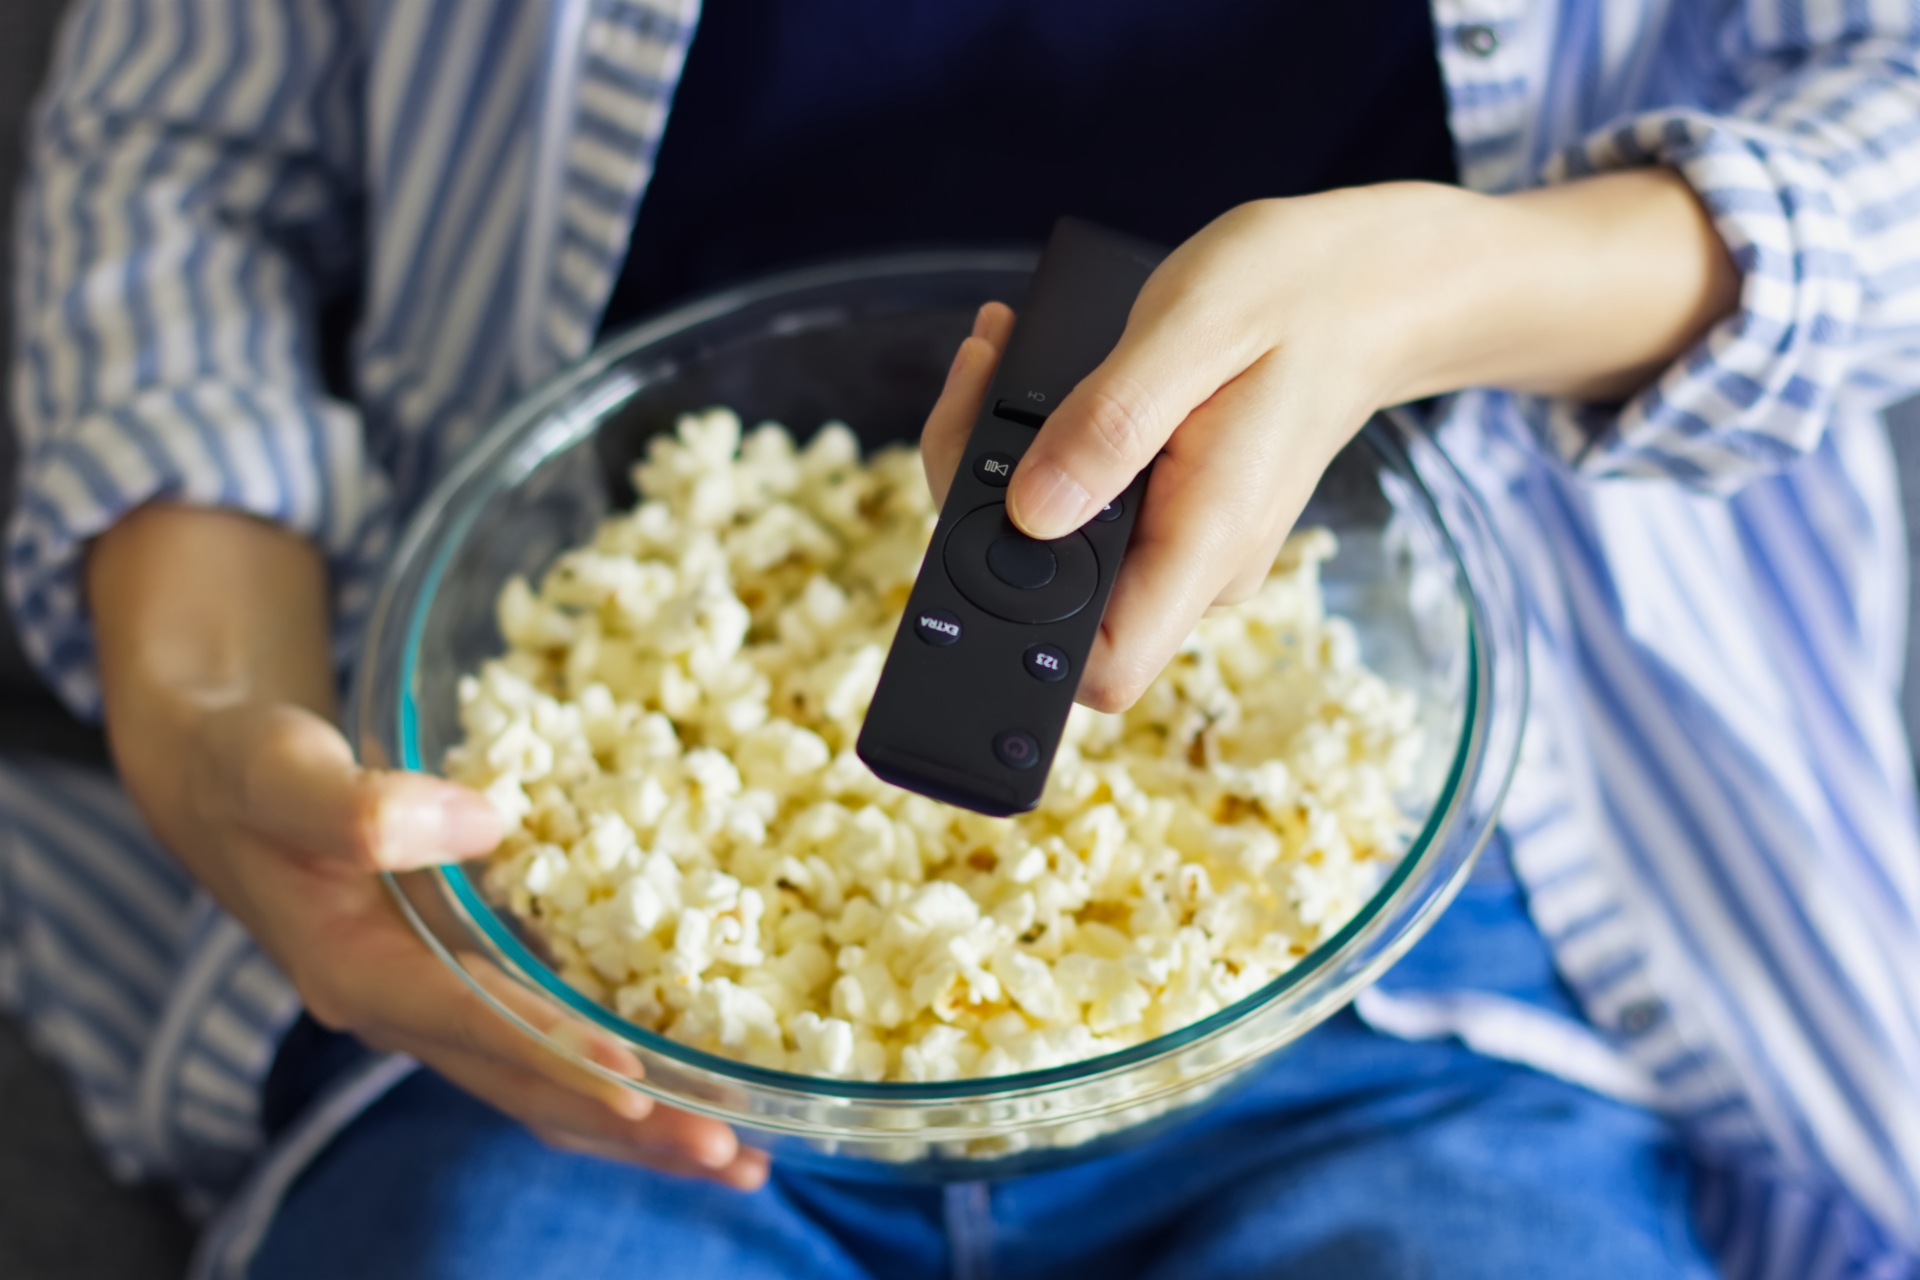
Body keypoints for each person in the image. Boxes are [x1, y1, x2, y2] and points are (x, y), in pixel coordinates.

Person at [5, 0, 1919, 1276]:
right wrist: (205, 718)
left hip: (1418, 894)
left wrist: (1479, 281)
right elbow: (179, 167)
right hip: (560, 914)